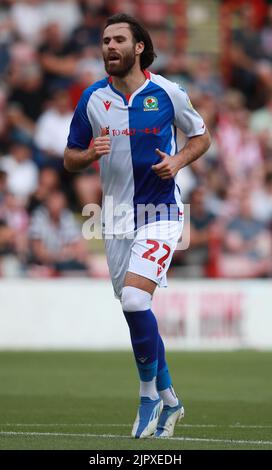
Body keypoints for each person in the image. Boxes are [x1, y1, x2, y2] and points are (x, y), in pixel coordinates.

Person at [64, 13, 211, 439]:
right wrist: (90, 153)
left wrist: (178, 160)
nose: (109, 47)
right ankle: (170, 401)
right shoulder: (92, 99)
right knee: (135, 308)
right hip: (114, 220)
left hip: (161, 213)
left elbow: (200, 137)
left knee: (132, 300)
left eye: (118, 40)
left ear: (138, 47)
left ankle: (148, 395)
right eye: (105, 40)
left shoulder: (167, 92)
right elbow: (69, 157)